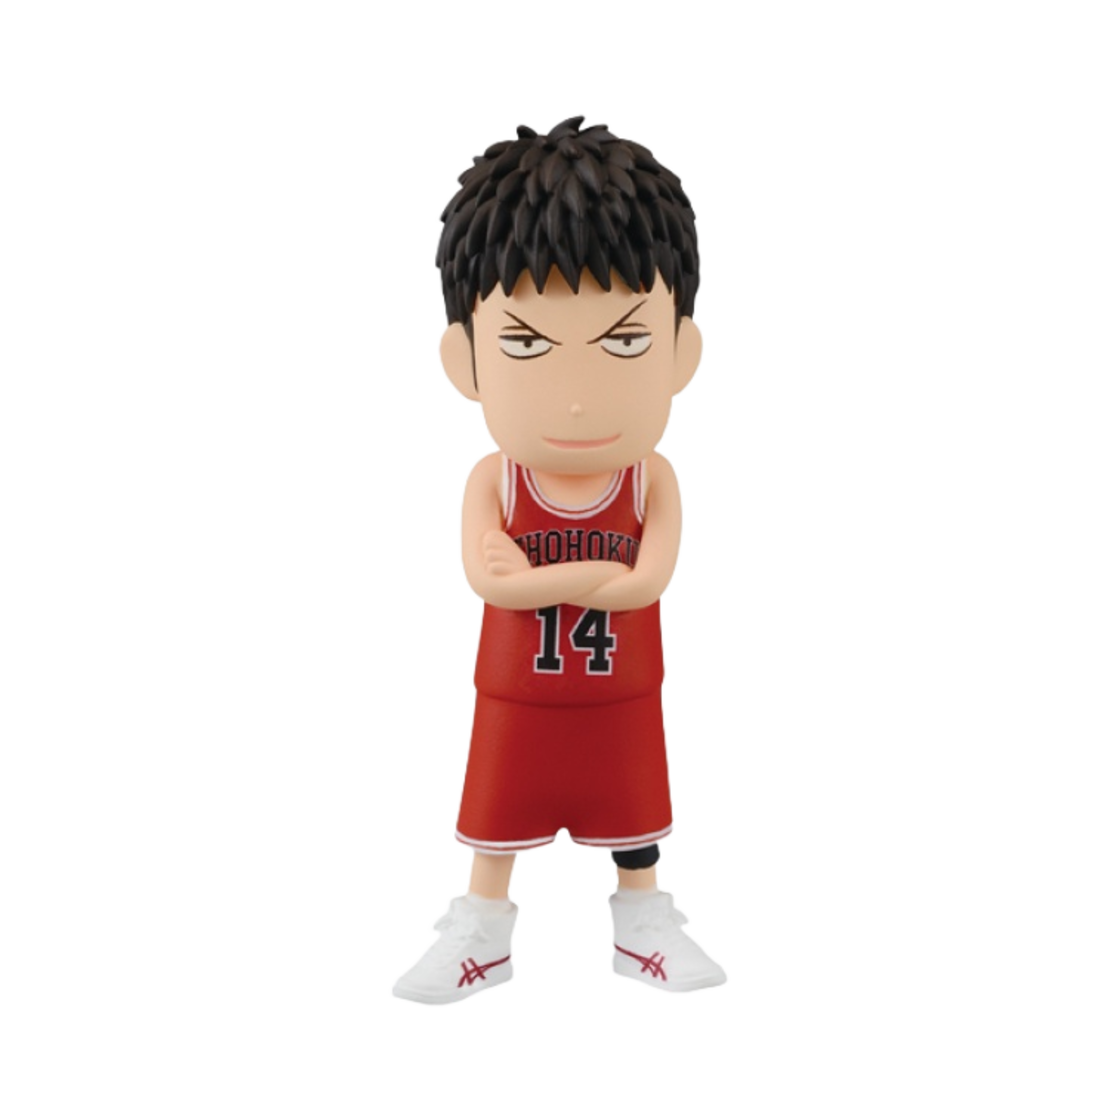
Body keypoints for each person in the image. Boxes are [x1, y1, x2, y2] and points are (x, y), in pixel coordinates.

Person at [389, 114, 729, 1005]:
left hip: (623, 697)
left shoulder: (652, 477)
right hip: (517, 698)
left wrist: (545, 582)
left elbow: (649, 581)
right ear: (462, 361)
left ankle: (643, 921)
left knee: (636, 819)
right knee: (494, 815)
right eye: (526, 344)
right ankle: (482, 928)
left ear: (683, 353)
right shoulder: (490, 480)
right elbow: (484, 581)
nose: (577, 400)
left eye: (625, 342)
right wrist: (593, 582)